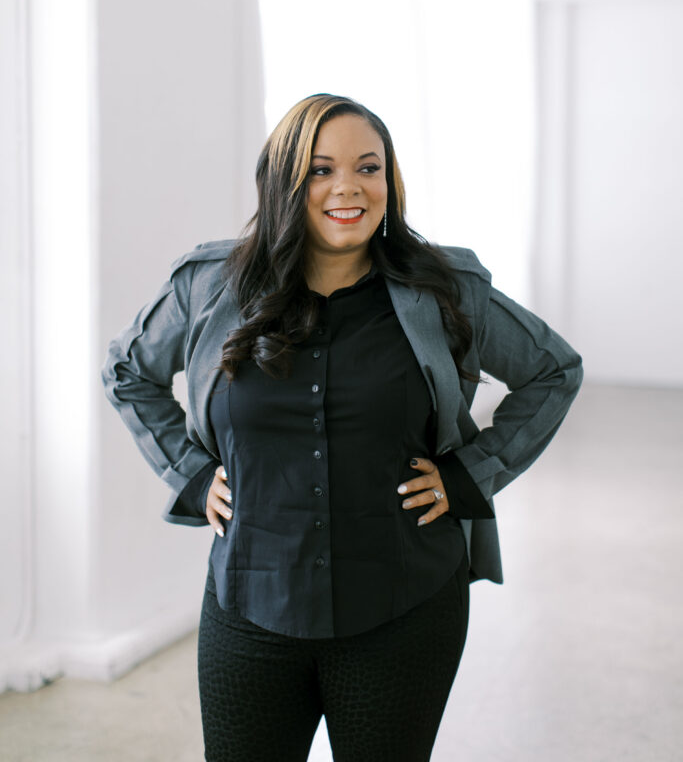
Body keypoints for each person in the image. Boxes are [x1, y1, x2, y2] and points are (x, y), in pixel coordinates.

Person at [101, 92, 583, 762]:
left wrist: (471, 475)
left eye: (368, 167)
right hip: (250, 605)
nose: (348, 188)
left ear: (390, 180)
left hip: (405, 608)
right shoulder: (210, 285)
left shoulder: (445, 289)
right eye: (321, 170)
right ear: (283, 183)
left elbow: (553, 370)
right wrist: (189, 473)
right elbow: (128, 370)